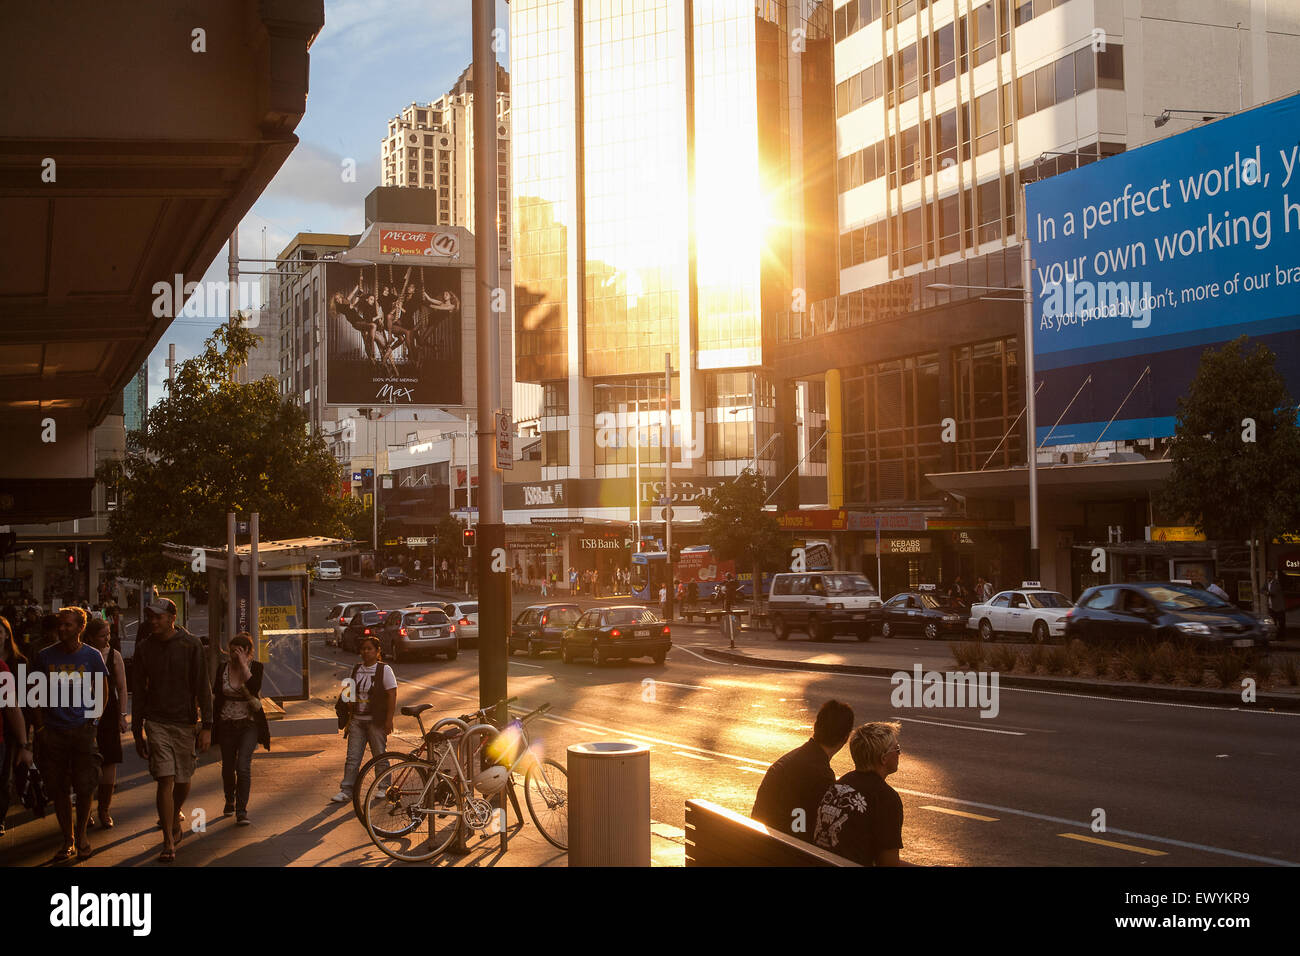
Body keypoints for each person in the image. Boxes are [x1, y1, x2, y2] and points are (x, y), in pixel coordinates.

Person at [131, 598, 211, 863]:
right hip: (156, 722)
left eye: (158, 617)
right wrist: (136, 728)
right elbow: (139, 691)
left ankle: (175, 811)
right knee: (164, 778)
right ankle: (168, 840)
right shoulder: (144, 648)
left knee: (182, 778)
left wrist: (207, 726)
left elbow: (203, 686)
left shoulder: (191, 645)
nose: (153, 621)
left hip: (185, 722)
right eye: (150, 617)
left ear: (172, 617)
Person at [32, 606, 108, 861]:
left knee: (85, 786)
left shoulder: (92, 656)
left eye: (68, 625)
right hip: (54, 732)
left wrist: (94, 720)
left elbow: (103, 690)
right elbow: (34, 693)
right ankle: (68, 839)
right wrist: (40, 727)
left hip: (83, 730)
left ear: (80, 628)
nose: (62, 628)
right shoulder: (44, 657)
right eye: (60, 624)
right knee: (58, 788)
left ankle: (83, 834)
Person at [751, 699, 855, 842]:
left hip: (759, 840)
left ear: (815, 726)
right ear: (845, 738)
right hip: (784, 850)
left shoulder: (790, 759)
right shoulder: (822, 775)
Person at [813, 721, 913, 866]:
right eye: (897, 749)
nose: (899, 754)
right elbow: (888, 863)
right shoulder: (885, 797)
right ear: (883, 758)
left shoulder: (840, 783)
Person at [212, 632, 270, 825]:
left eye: (239, 650)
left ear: (248, 652)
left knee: (242, 765)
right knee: (228, 767)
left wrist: (244, 664)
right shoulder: (223, 668)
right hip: (227, 722)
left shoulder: (256, 667)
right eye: (232, 650)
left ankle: (242, 810)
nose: (234, 654)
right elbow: (216, 693)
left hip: (249, 723)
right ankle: (230, 798)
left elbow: (253, 688)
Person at [332, 635, 397, 804]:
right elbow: (348, 691)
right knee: (353, 757)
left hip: (376, 721)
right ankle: (346, 790)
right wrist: (348, 703)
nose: (366, 652)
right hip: (357, 721)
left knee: (379, 754)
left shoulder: (385, 670)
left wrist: (389, 720)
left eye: (369, 649)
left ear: (377, 651)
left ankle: (384, 787)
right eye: (363, 649)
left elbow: (392, 695)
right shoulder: (356, 669)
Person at [83, 618, 127, 830]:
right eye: (102, 635)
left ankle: (104, 809)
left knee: (109, 760)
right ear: (90, 636)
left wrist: (122, 715)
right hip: (84, 711)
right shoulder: (81, 655)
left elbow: (121, 687)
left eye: (108, 634)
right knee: (86, 763)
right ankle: (86, 810)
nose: (107, 639)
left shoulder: (114, 656)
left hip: (108, 712)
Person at [0, 614, 34, 837]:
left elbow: (18, 702)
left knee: (6, 775)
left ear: (6, 635)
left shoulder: (16, 662)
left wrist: (26, 739)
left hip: (10, 727)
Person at [1265, 570, 1286, 642]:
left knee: (1281, 623)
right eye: (1267, 574)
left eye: (1270, 574)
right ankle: (1275, 636)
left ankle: (1282, 637)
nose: (1268, 576)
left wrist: (1267, 593)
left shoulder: (1276, 583)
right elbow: (1261, 589)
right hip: (1271, 607)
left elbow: (1272, 593)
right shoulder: (1267, 583)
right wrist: (1266, 592)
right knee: (1273, 623)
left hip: (1279, 607)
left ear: (1273, 575)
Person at [721, 573, 741, 649]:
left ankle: (729, 623)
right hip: (732, 598)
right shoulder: (733, 582)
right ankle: (731, 621)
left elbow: (725, 589)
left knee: (727, 611)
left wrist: (725, 590)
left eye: (726, 577)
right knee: (731, 612)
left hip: (729, 599)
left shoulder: (728, 583)